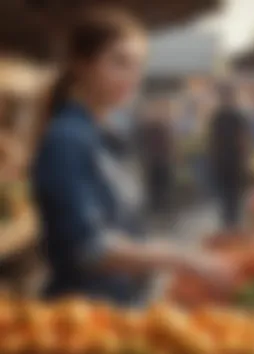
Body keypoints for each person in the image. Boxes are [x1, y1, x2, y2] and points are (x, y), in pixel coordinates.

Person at [31, 8, 233, 306]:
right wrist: (181, 257)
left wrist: (170, 253)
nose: (132, 76)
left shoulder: (105, 136)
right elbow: (86, 247)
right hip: (81, 317)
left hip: (119, 305)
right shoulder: (67, 139)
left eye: (138, 65)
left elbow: (122, 229)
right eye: (119, 62)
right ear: (81, 64)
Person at [208, 82, 250, 229]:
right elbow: (242, 141)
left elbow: (213, 141)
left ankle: (230, 225)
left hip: (226, 162)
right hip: (230, 163)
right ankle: (231, 225)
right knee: (231, 199)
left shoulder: (219, 117)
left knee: (228, 199)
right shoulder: (232, 117)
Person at [137, 99, 175, 215]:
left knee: (160, 187)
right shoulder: (151, 128)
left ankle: (161, 209)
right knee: (157, 187)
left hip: (159, 160)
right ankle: (159, 210)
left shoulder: (156, 127)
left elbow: (168, 144)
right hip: (156, 161)